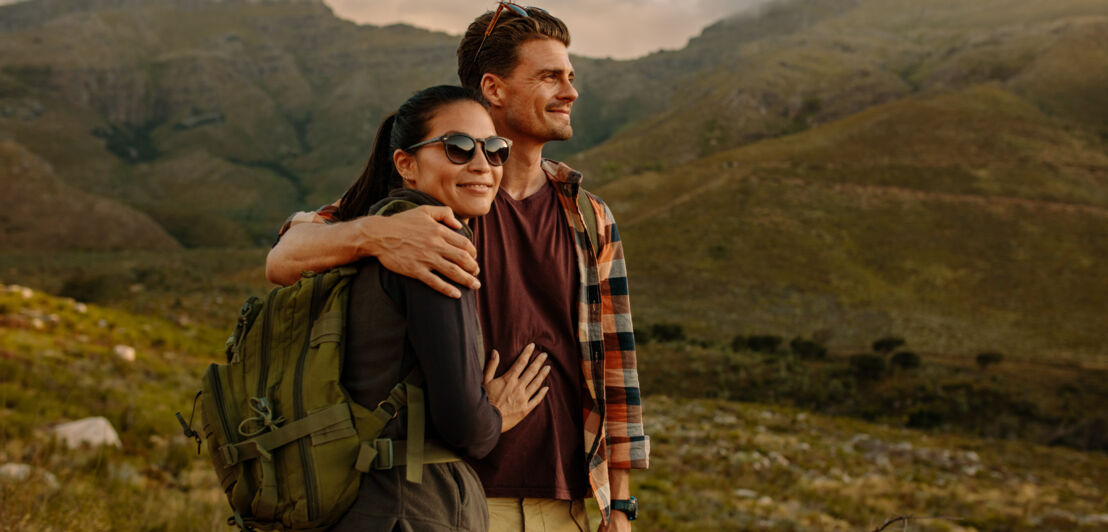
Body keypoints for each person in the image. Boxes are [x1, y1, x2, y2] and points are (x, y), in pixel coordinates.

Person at [268, 4, 649, 531]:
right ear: (493, 89)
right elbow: (284, 257)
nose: (570, 91)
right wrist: (374, 234)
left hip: (572, 505)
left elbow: (616, 367)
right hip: (452, 498)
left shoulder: (589, 215)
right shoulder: (431, 200)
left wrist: (621, 506)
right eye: (549, 77)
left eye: (571, 77)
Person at [330, 84, 550, 532]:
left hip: (364, 501)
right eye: (458, 148)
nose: (482, 165)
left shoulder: (376, 230)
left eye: (494, 150)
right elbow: (466, 428)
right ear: (405, 164)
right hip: (414, 509)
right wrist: (496, 416)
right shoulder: (433, 245)